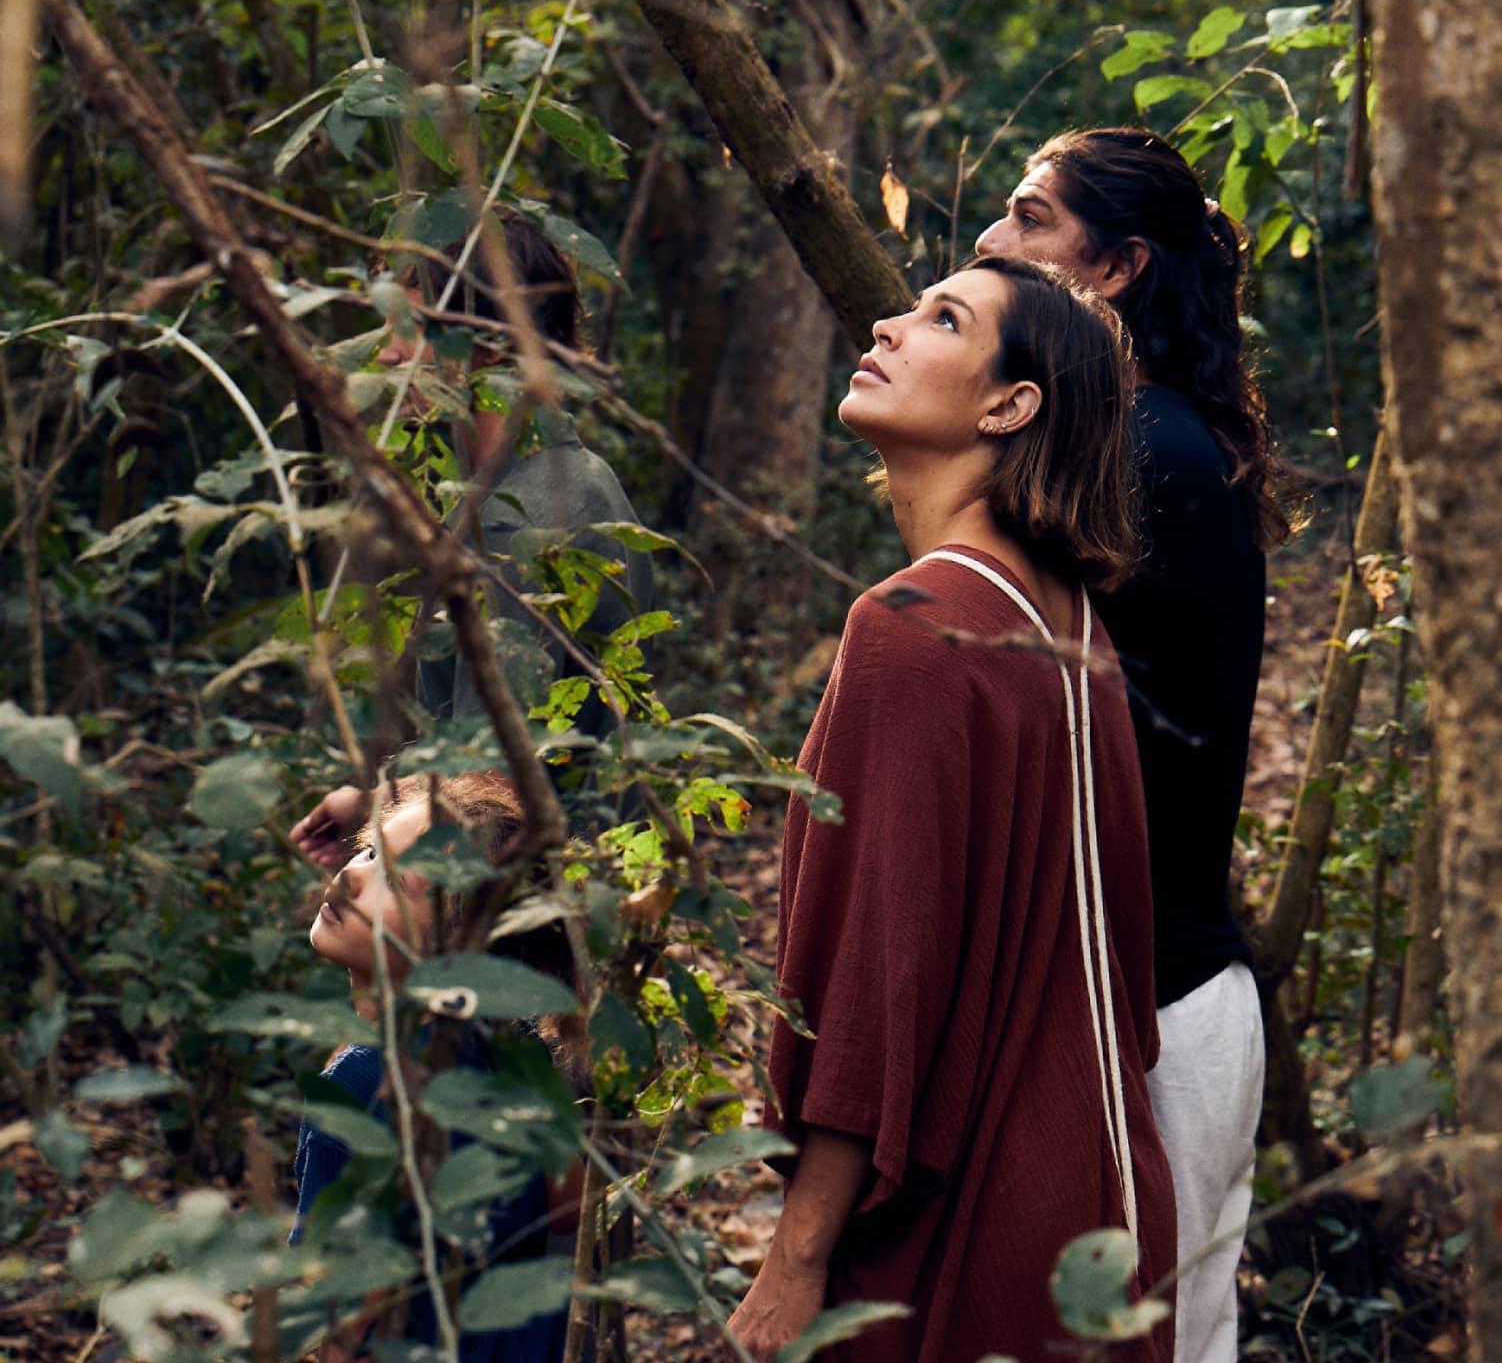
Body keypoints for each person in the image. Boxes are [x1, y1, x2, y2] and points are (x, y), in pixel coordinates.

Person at [731, 257, 1176, 1363]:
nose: (885, 322)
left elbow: (879, 992)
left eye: (940, 318)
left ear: (1008, 405)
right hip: (1108, 1209)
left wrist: (793, 1262)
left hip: (975, 1224)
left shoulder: (914, 622)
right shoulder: (1069, 622)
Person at [976, 127, 1291, 1363]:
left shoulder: (1141, 455)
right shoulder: (1130, 441)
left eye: (1029, 218)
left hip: (1153, 1016)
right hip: (1137, 1005)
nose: (994, 241)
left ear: (1114, 268)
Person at [291, 210, 655, 870]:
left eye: (412, 328)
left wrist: (376, 804)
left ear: (489, 340)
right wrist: (371, 800)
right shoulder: (575, 481)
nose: (388, 354)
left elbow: (487, 792)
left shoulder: (523, 527)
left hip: (529, 913)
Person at [292, 769, 579, 1361]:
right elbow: (569, 1208)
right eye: (370, 849)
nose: (349, 874)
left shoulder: (360, 1089)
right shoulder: (518, 1056)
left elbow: (346, 1324)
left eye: (393, 880)